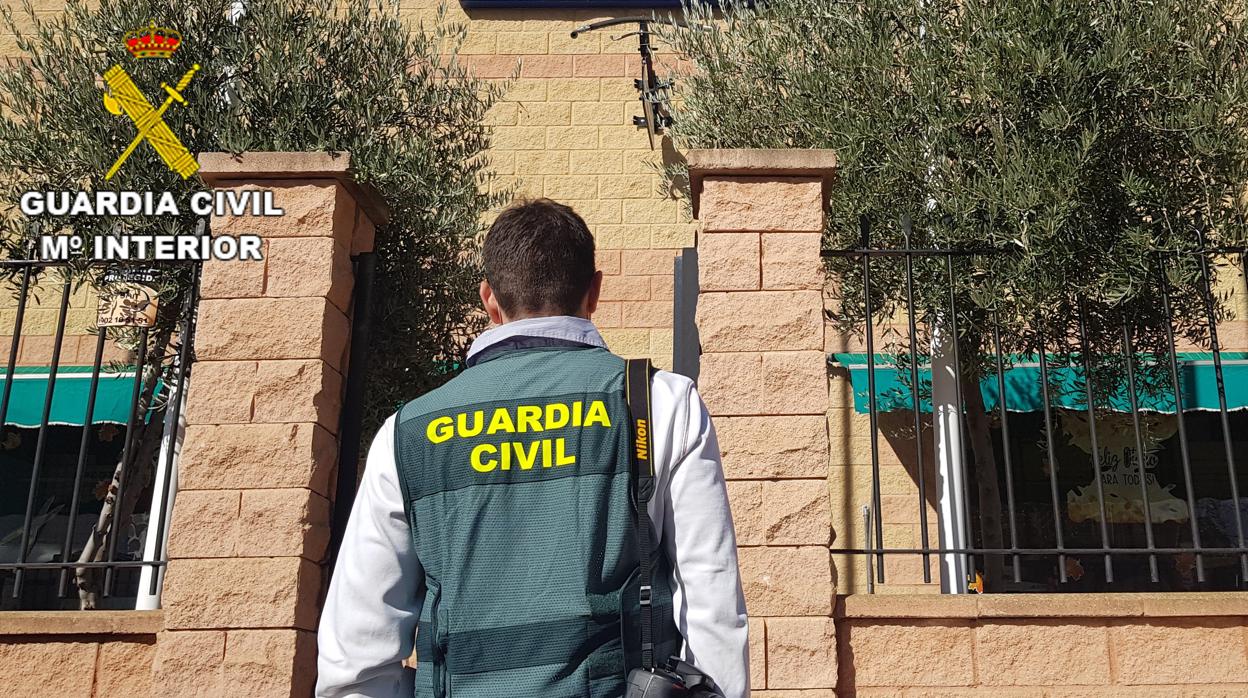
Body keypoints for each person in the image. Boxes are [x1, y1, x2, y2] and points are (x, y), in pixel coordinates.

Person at [316, 199, 749, 697]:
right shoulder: (660, 403)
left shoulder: (407, 432)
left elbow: (357, 657)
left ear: (489, 300)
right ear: (594, 291)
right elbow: (711, 605)